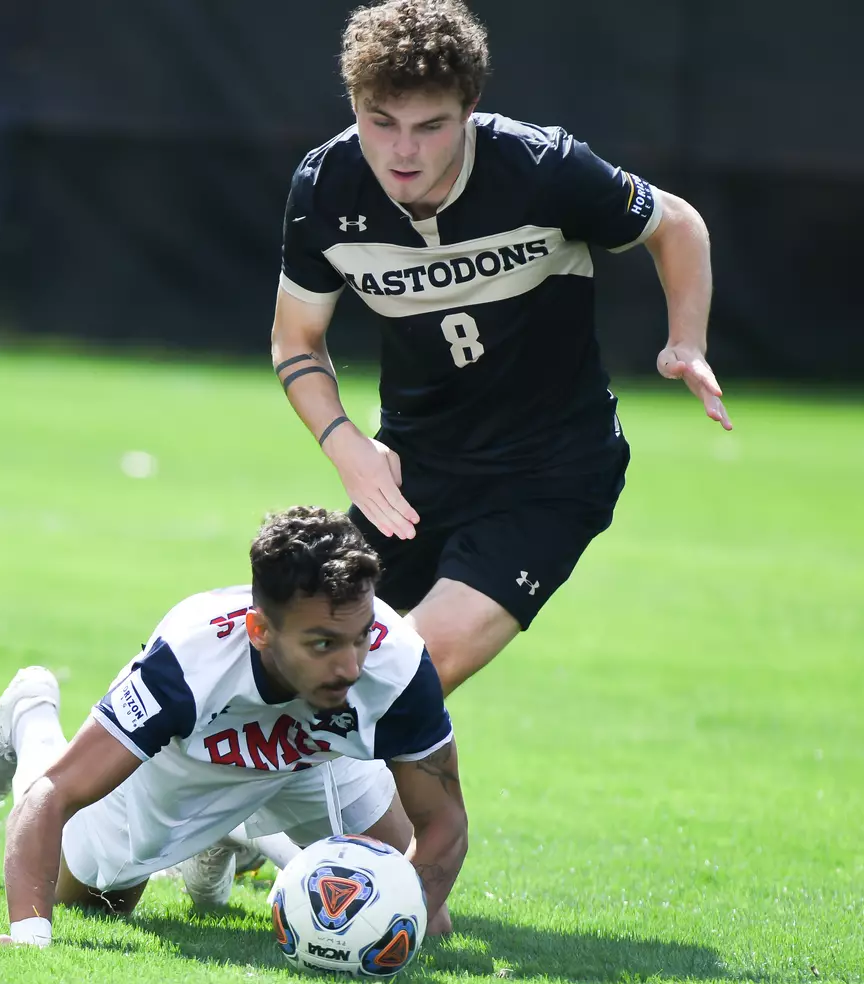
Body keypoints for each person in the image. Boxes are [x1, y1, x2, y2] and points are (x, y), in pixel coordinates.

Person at [270, 0, 732, 698]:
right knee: (297, 659)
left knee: (407, 673)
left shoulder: (540, 167)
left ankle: (407, 813)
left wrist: (685, 342)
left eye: (431, 127)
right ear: (354, 104)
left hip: (549, 474)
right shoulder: (324, 189)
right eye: (380, 122)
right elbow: (295, 340)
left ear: (470, 108)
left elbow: (678, 224)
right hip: (414, 468)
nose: (403, 151)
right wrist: (346, 446)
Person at [0, 506, 468, 945]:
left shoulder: (398, 663)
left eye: (359, 637)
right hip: (187, 763)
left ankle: (231, 835)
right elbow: (55, 794)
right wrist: (29, 940)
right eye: (323, 644)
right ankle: (30, 716)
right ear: (259, 630)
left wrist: (390, 937)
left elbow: (444, 826)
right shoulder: (189, 663)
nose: (351, 668)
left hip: (313, 759)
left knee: (430, 924)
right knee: (101, 902)